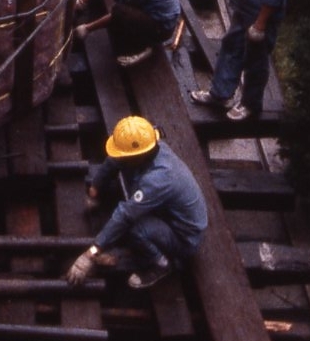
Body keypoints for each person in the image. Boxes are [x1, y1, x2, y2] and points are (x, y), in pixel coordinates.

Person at [66, 117, 207, 292]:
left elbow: (125, 215)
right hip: (168, 214)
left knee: (135, 226)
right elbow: (115, 159)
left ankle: (160, 264)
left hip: (183, 236)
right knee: (125, 186)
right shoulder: (149, 147)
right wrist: (95, 189)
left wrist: (90, 253)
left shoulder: (159, 180)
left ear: (138, 154)